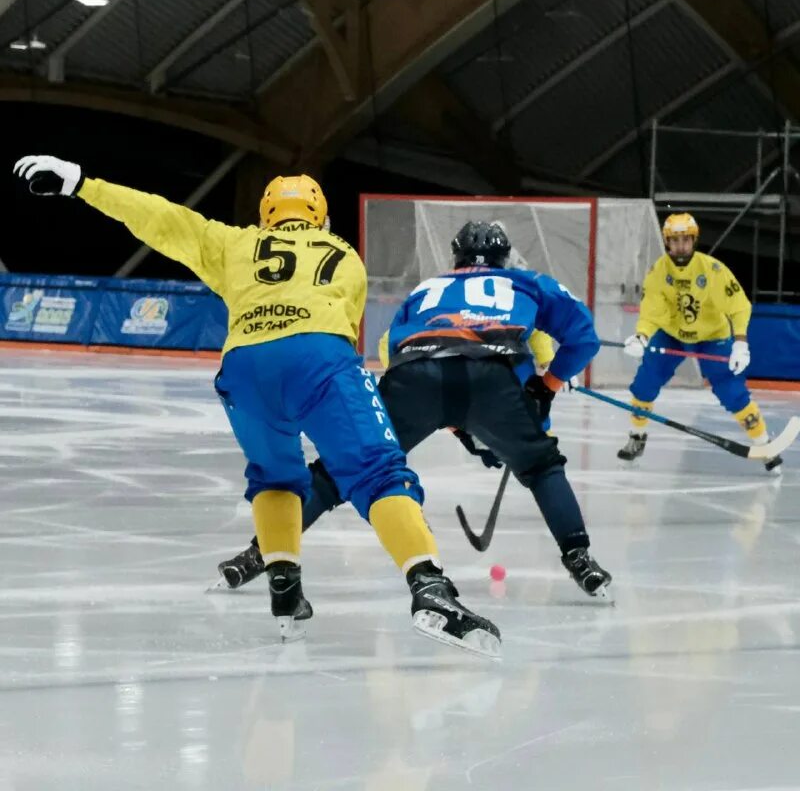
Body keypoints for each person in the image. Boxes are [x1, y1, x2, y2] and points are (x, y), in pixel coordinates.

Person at [13, 155, 500, 658]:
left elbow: (160, 217)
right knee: (378, 473)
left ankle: (285, 588)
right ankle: (430, 589)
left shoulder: (235, 242)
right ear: (320, 217)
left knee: (274, 476)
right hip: (319, 357)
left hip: (244, 367)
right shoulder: (344, 255)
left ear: (266, 215)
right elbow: (345, 329)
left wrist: (82, 183)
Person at [218, 221, 612, 599]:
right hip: (490, 378)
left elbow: (394, 347)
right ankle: (580, 559)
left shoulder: (426, 289)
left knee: (340, 468)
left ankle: (262, 551)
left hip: (414, 374)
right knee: (542, 467)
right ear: (504, 257)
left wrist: (446, 412)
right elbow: (583, 339)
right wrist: (547, 387)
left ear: (457, 257)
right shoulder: (527, 282)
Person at [618, 212, 782, 473]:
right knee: (646, 381)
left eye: (686, 239)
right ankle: (637, 437)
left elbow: (739, 306)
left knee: (731, 390)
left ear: (694, 240)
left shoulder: (712, 270)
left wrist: (740, 342)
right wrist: (642, 336)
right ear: (667, 242)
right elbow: (651, 311)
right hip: (672, 334)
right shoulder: (658, 271)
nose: (680, 245)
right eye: (674, 240)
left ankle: (764, 444)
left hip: (712, 337)